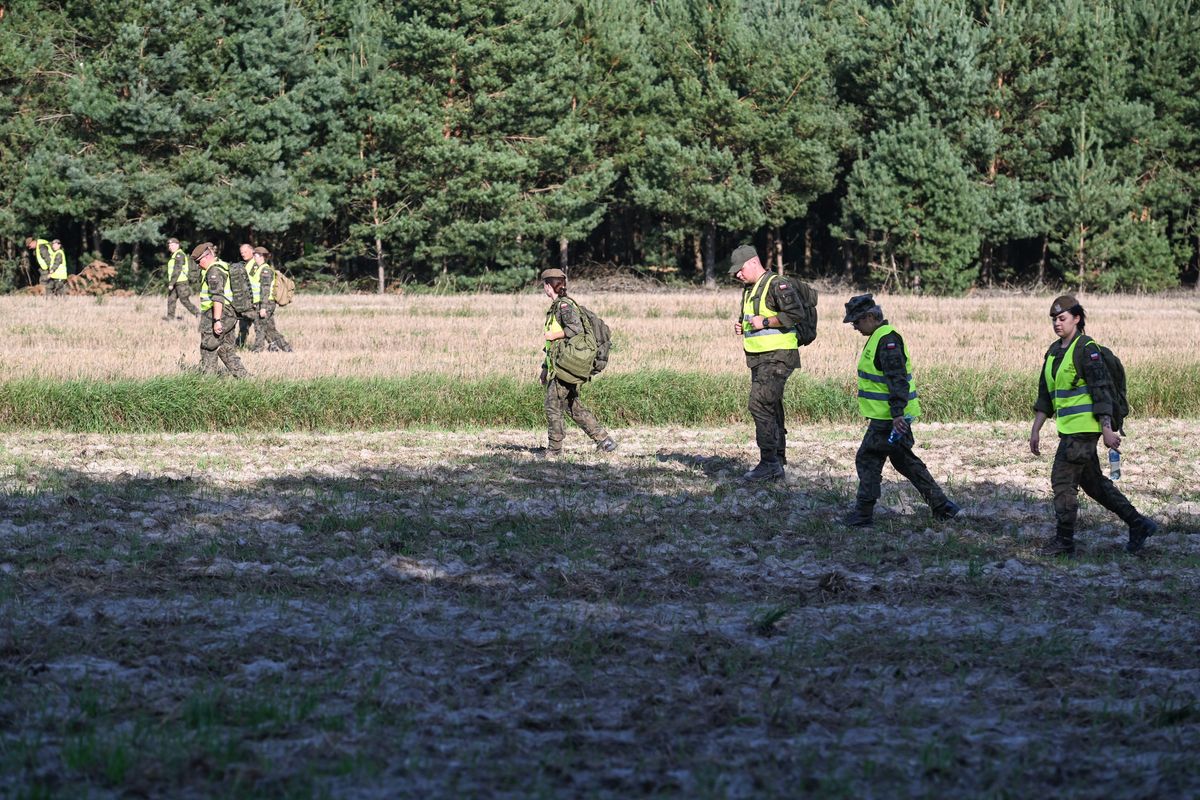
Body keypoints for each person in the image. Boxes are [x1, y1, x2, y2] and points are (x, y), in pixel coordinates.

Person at [1029, 295, 1157, 555]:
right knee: (1093, 483)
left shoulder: (1087, 349)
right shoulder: (1054, 352)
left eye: (1062, 318)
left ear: (1077, 318)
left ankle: (1064, 542)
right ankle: (1138, 523)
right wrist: (1036, 429)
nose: (1057, 323)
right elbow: (1046, 395)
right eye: (1054, 319)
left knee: (1062, 482)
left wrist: (1107, 429)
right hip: (1068, 428)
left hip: (1085, 430)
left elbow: (1102, 393)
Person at [841, 294, 959, 526]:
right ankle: (943, 506)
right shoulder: (879, 337)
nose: (854, 326)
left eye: (856, 321)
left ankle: (863, 514)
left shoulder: (887, 341)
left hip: (890, 418)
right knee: (904, 461)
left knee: (867, 458)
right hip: (891, 416)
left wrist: (897, 415)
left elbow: (897, 380)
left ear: (871, 317)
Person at [729, 244, 814, 481]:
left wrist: (765, 323)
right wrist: (743, 325)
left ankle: (769, 463)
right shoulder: (750, 288)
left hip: (779, 356)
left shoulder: (776, 284)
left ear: (753, 263)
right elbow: (753, 318)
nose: (737, 275)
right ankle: (778, 458)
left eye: (740, 270)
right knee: (771, 405)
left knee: (759, 405)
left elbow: (795, 314)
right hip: (759, 357)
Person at [538, 268, 615, 457]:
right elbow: (552, 346)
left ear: (549, 286)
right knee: (572, 405)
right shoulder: (558, 306)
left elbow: (576, 330)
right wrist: (545, 368)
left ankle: (554, 450)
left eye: (545, 285)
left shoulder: (565, 306)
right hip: (560, 364)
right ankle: (604, 441)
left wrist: (553, 334)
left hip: (567, 366)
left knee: (553, 404)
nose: (544, 289)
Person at [194, 242, 248, 378]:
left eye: (198, 261)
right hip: (230, 313)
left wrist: (217, 320)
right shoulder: (223, 266)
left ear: (206, 256)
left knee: (208, 347)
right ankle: (245, 379)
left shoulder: (214, 271)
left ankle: (209, 383)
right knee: (226, 349)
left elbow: (218, 297)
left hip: (217, 313)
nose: (198, 265)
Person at [248, 246, 292, 352]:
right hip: (263, 303)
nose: (253, 257)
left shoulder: (265, 270)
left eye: (255, 255)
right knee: (270, 329)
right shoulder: (258, 269)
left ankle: (257, 350)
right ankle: (287, 349)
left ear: (261, 256)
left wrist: (263, 307)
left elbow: (265, 290)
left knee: (259, 327)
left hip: (265, 303)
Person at [229, 243, 257, 347]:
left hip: (255, 301)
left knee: (262, 326)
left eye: (245, 252)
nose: (243, 254)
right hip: (246, 302)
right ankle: (239, 345)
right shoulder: (246, 264)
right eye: (242, 253)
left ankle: (277, 345)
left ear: (252, 251)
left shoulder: (255, 265)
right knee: (243, 326)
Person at [163, 237, 199, 319]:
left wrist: (171, 283)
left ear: (177, 245)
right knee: (171, 300)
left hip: (181, 282)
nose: (170, 247)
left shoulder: (179, 255)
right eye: (169, 246)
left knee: (184, 300)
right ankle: (170, 318)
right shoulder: (174, 255)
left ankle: (197, 313)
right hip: (176, 282)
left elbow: (177, 270)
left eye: (172, 245)